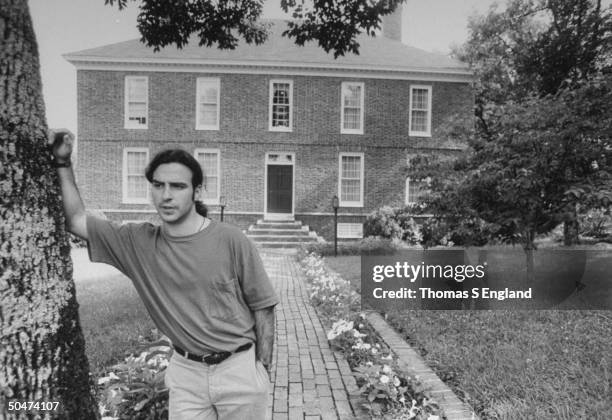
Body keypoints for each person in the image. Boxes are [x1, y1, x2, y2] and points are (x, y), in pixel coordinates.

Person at [49, 129, 278, 420]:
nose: (166, 196)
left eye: (177, 186)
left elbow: (263, 305)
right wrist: (62, 163)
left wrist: (262, 369)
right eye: (158, 185)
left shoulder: (231, 240)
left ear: (196, 191)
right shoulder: (137, 243)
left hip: (239, 369)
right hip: (187, 373)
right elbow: (76, 219)